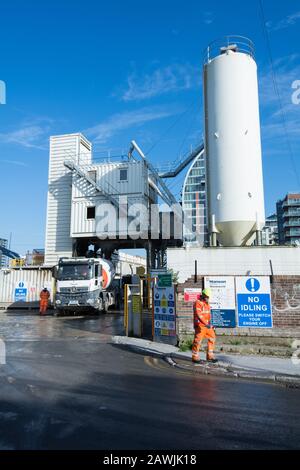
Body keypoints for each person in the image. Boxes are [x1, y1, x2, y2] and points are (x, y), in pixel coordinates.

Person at [192, 288, 218, 364]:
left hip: (207, 325)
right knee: (198, 341)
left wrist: (210, 324)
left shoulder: (207, 304)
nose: (208, 298)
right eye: (207, 297)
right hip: (200, 325)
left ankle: (210, 356)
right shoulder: (198, 303)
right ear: (203, 296)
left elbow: (208, 314)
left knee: (212, 337)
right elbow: (199, 315)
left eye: (208, 297)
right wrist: (206, 323)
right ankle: (195, 356)